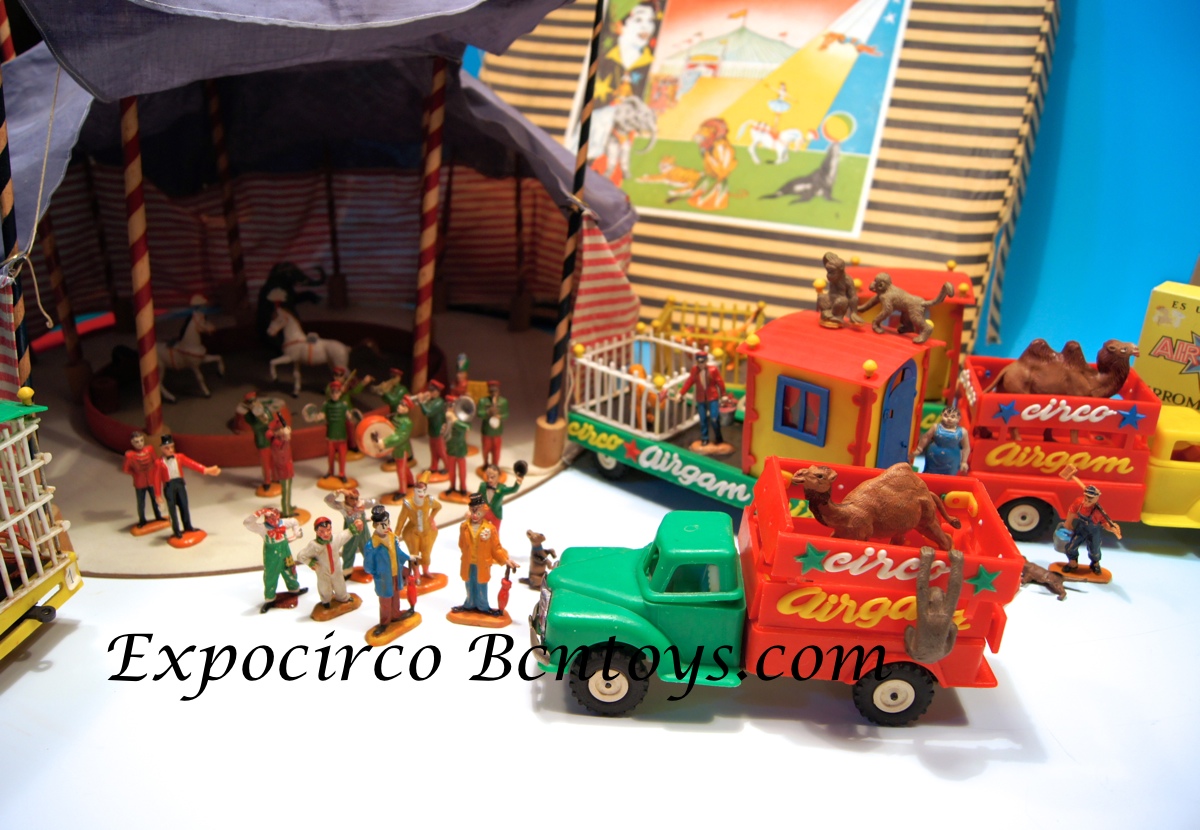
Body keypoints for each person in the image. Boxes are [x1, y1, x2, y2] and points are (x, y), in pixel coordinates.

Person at [454, 493, 514, 616]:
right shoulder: (464, 527)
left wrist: (505, 560)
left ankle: (483, 606)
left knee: (481, 584)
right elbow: (461, 544)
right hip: (468, 562)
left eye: (478, 512)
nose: (475, 515)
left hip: (482, 562)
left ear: (484, 512)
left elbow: (496, 548)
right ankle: (469, 604)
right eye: (473, 512)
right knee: (469, 583)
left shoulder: (490, 528)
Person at [153, 435, 220, 538]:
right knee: (172, 509)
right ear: (162, 449)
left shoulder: (179, 457)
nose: (170, 450)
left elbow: (192, 464)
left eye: (172, 447)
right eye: (167, 448)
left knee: (184, 506)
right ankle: (176, 531)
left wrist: (205, 470)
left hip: (180, 483)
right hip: (169, 486)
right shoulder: (158, 463)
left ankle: (188, 526)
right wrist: (158, 495)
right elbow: (156, 479)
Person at [362, 505, 414, 636]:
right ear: (375, 525)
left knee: (396, 596)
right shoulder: (372, 545)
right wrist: (378, 575)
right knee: (385, 601)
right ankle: (384, 622)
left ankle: (396, 614)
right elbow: (368, 565)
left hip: (396, 573)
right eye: (382, 525)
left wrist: (409, 557)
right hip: (384, 578)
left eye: (387, 523)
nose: (386, 527)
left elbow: (398, 553)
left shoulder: (392, 537)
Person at [244, 506, 303, 613]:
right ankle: (270, 598)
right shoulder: (262, 528)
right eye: (271, 518)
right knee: (270, 575)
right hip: (272, 554)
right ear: (266, 518)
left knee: (290, 569)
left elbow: (294, 521)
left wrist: (296, 533)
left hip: (285, 551)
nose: (274, 520)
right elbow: (247, 523)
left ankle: (294, 589)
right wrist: (259, 512)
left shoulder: (283, 522)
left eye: (276, 517)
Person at [304, 379, 361, 482]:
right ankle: (330, 472)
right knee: (330, 456)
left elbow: (350, 416)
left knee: (342, 457)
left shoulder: (344, 405)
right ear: (330, 393)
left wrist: (355, 418)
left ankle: (342, 474)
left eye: (337, 392)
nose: (335, 394)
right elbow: (322, 415)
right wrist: (317, 417)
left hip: (342, 436)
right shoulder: (326, 405)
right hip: (330, 436)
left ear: (340, 393)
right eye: (333, 392)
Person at [294, 516, 356, 609]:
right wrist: (311, 562)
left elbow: (344, 535)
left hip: (336, 570)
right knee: (324, 588)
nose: (326, 534)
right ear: (316, 532)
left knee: (340, 585)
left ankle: (343, 598)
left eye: (328, 530)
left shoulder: (335, 539)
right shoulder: (314, 545)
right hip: (323, 571)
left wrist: (353, 528)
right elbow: (301, 556)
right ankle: (326, 601)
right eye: (321, 531)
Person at [673, 350, 727, 446]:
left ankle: (718, 437)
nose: (701, 364)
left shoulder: (713, 370)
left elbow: (720, 382)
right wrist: (681, 393)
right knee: (703, 420)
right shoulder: (694, 370)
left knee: (714, 418)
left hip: (712, 397)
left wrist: (723, 395)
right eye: (699, 362)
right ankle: (705, 438)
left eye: (703, 362)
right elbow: (689, 382)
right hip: (701, 398)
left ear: (706, 361)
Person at [1064, 485, 1121, 575]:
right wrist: (1068, 522)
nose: (1086, 503)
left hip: (1093, 532)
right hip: (1081, 529)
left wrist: (1111, 529)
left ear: (1095, 500)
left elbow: (1105, 524)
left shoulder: (1098, 511)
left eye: (1089, 501)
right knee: (1071, 547)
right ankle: (1073, 564)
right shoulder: (1079, 502)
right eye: (1085, 499)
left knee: (1095, 550)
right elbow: (1072, 511)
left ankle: (1095, 564)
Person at [324, 487, 374, 579]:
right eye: (351, 498)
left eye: (356, 498)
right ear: (346, 498)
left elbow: (374, 502)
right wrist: (339, 491)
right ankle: (347, 570)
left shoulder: (361, 503)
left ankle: (371, 567)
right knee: (348, 550)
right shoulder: (342, 506)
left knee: (368, 548)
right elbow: (327, 500)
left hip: (363, 531)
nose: (354, 501)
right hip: (350, 531)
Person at [913, 405, 971, 475]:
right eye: (946, 416)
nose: (949, 419)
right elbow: (926, 437)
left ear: (958, 418)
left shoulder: (963, 431)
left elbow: (966, 448)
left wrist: (964, 461)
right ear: (941, 415)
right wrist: (919, 449)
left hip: (952, 459)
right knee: (930, 474)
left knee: (949, 477)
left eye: (952, 417)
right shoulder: (935, 427)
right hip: (933, 457)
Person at [123, 431, 164, 528]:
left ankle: (158, 516)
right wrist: (135, 474)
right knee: (141, 503)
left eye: (141, 440)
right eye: (137, 442)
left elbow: (156, 461)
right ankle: (142, 520)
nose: (140, 443)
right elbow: (125, 469)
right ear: (132, 443)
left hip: (151, 480)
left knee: (156, 499)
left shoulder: (150, 449)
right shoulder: (130, 455)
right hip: (139, 483)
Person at [235, 391, 275, 492]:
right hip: (262, 441)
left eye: (254, 401)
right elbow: (257, 426)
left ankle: (276, 477)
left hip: (272, 439)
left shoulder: (264, 409)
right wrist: (257, 415)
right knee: (265, 463)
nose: (253, 404)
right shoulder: (249, 416)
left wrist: (263, 414)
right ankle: (267, 481)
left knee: (274, 460)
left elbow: (271, 419)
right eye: (251, 402)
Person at [266, 413, 297, 518]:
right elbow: (283, 451)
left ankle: (288, 506)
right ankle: (287, 511)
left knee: (288, 490)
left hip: (287, 467)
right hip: (284, 470)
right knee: (286, 491)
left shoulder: (280, 439)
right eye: (281, 429)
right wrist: (286, 436)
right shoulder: (277, 442)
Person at [416, 380, 449, 476]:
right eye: (430, 390)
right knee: (433, 450)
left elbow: (428, 412)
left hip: (438, 430)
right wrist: (424, 400)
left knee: (441, 451)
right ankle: (434, 466)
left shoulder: (439, 402)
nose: (430, 393)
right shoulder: (432, 400)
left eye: (433, 391)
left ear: (438, 392)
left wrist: (421, 402)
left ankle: (448, 467)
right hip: (432, 430)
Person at [476, 464, 523, 530]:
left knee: (495, 531)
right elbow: (477, 497)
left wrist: (518, 482)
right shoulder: (482, 486)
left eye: (492, 477)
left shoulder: (502, 488)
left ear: (498, 477)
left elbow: (513, 490)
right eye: (488, 477)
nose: (489, 480)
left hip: (496, 514)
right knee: (481, 530)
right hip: (484, 513)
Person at [477, 380, 508, 469]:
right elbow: (479, 413)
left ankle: (495, 465)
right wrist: (488, 413)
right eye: (491, 391)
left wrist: (500, 416)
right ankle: (486, 463)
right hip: (487, 431)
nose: (494, 393)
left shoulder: (503, 402)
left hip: (497, 431)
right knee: (485, 449)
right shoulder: (483, 401)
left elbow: (506, 415)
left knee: (496, 450)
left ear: (499, 391)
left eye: (495, 391)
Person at [443, 406, 470, 499]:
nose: (449, 409)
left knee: (462, 471)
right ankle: (452, 487)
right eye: (449, 407)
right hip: (451, 448)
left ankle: (463, 488)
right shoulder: (447, 421)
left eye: (451, 407)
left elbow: (466, 428)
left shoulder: (462, 419)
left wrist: (454, 420)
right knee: (451, 471)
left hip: (460, 449)